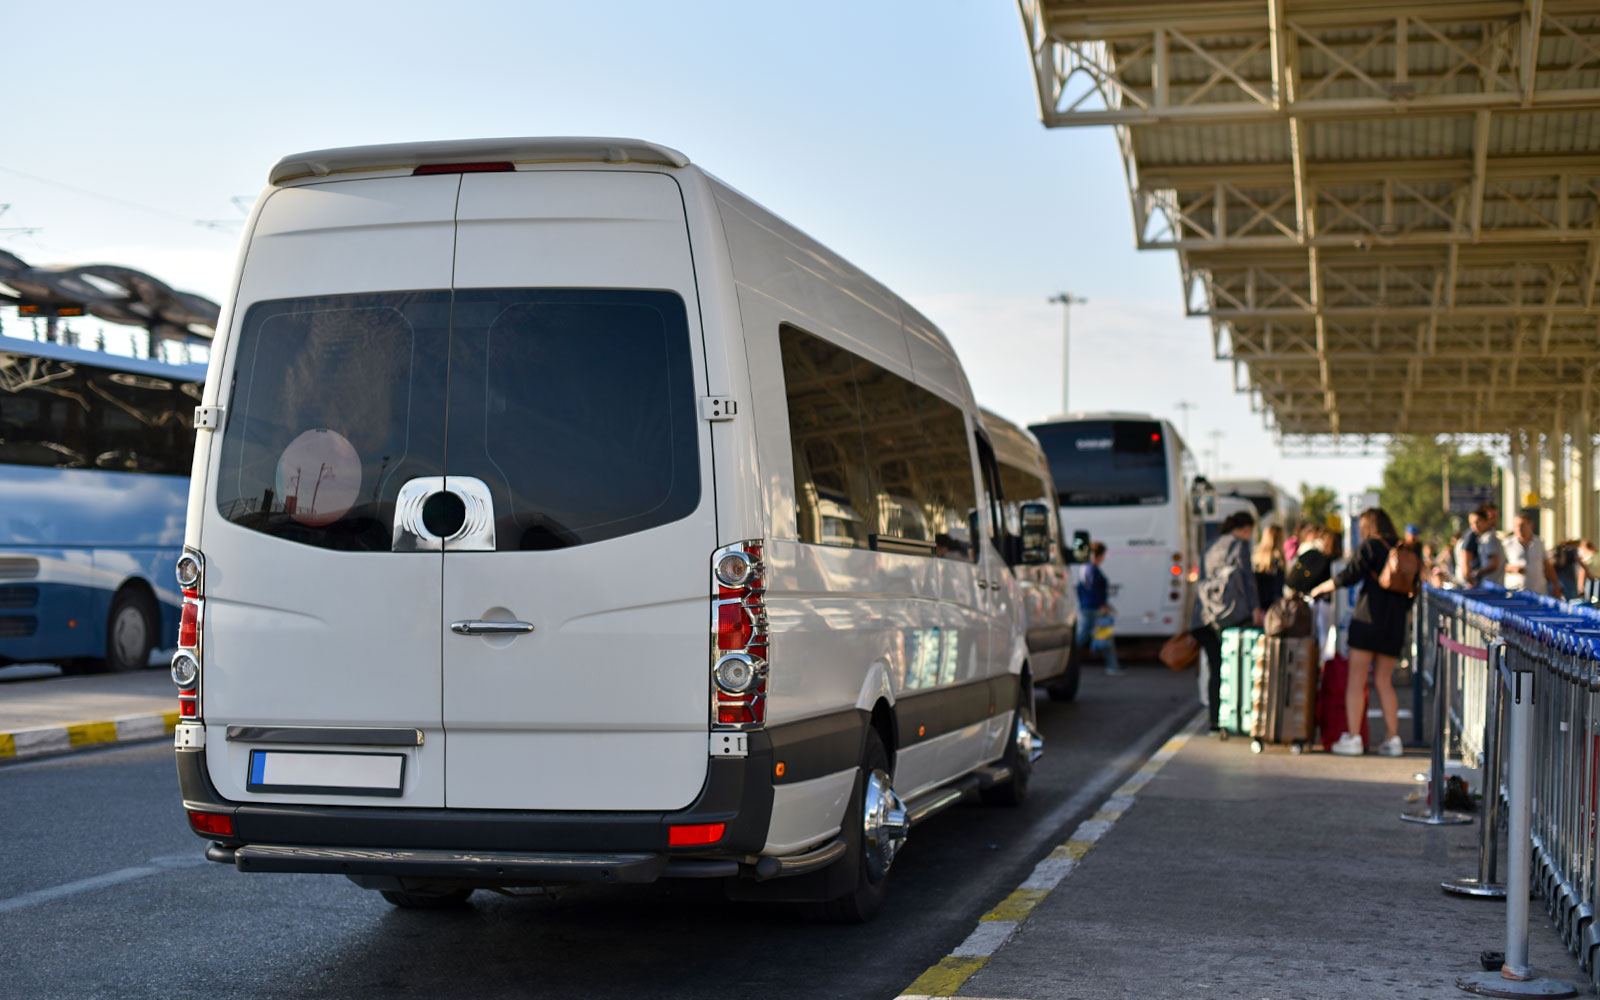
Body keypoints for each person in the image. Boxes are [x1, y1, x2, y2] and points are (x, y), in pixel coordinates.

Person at [1310, 508, 1412, 757]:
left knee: (1356, 681)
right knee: (1384, 682)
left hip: (1367, 621)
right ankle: (1393, 739)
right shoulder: (1405, 549)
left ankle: (1354, 738)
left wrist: (1322, 587)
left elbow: (1351, 574)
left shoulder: (1370, 546)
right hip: (1394, 624)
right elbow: (1412, 591)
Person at [1190, 510, 1262, 730]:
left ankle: (1214, 719)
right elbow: (1248, 579)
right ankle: (1238, 718)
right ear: (1245, 529)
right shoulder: (1240, 545)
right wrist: (1256, 607)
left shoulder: (1210, 546)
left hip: (1204, 616)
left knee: (1215, 669)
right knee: (1235, 667)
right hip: (1232, 617)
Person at [1076, 542, 1122, 675]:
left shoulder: (1085, 568)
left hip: (1089, 606)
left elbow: (1082, 589)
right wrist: (1101, 605)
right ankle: (1112, 666)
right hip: (1095, 607)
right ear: (1099, 555)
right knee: (1102, 635)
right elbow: (1093, 589)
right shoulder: (1092, 569)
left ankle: (1112, 665)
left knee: (1102, 635)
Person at [1504, 511, 1559, 596]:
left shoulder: (1539, 543)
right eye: (1516, 526)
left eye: (1522, 525)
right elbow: (1499, 566)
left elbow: (1547, 565)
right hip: (1515, 592)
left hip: (1537, 592)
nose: (1519, 529)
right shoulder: (1507, 544)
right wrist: (1512, 568)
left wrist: (1556, 585)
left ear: (1531, 526)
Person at [1253, 524, 1286, 610]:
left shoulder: (1257, 557)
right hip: (1273, 605)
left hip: (1259, 603)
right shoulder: (1279, 559)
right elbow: (1278, 587)